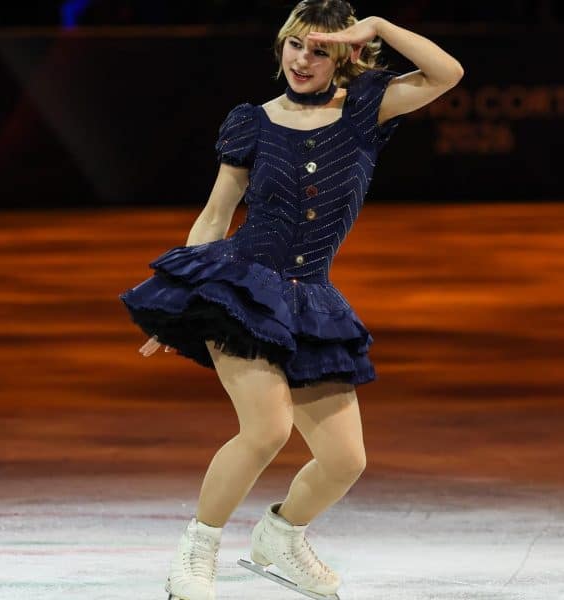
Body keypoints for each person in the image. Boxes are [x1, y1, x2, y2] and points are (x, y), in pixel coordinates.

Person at [118, 1, 463, 598]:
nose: (303, 60)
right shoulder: (253, 122)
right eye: (296, 45)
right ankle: (195, 554)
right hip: (242, 290)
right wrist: (179, 300)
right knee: (268, 428)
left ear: (345, 56)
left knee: (344, 460)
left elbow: (446, 74)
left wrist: (378, 27)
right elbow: (216, 215)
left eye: (321, 49)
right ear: (281, 46)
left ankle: (280, 536)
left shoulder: (364, 110)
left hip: (312, 302)